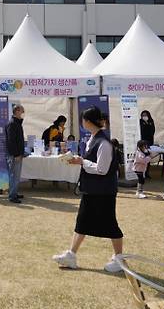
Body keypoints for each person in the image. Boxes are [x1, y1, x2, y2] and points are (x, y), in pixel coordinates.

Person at [52, 106, 124, 272]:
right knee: (82, 222)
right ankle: (71, 255)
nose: (82, 122)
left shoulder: (104, 143)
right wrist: (79, 160)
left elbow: (102, 169)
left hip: (103, 191)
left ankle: (119, 258)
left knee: (110, 224)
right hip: (91, 189)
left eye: (83, 119)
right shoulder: (93, 138)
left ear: (88, 122)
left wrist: (82, 162)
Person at [5, 104, 25, 204]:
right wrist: (16, 154)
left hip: (18, 154)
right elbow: (11, 141)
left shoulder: (17, 123)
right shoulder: (12, 123)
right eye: (22, 111)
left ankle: (14, 192)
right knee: (14, 175)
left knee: (16, 175)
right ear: (17, 111)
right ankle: (12, 195)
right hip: (14, 155)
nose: (23, 113)